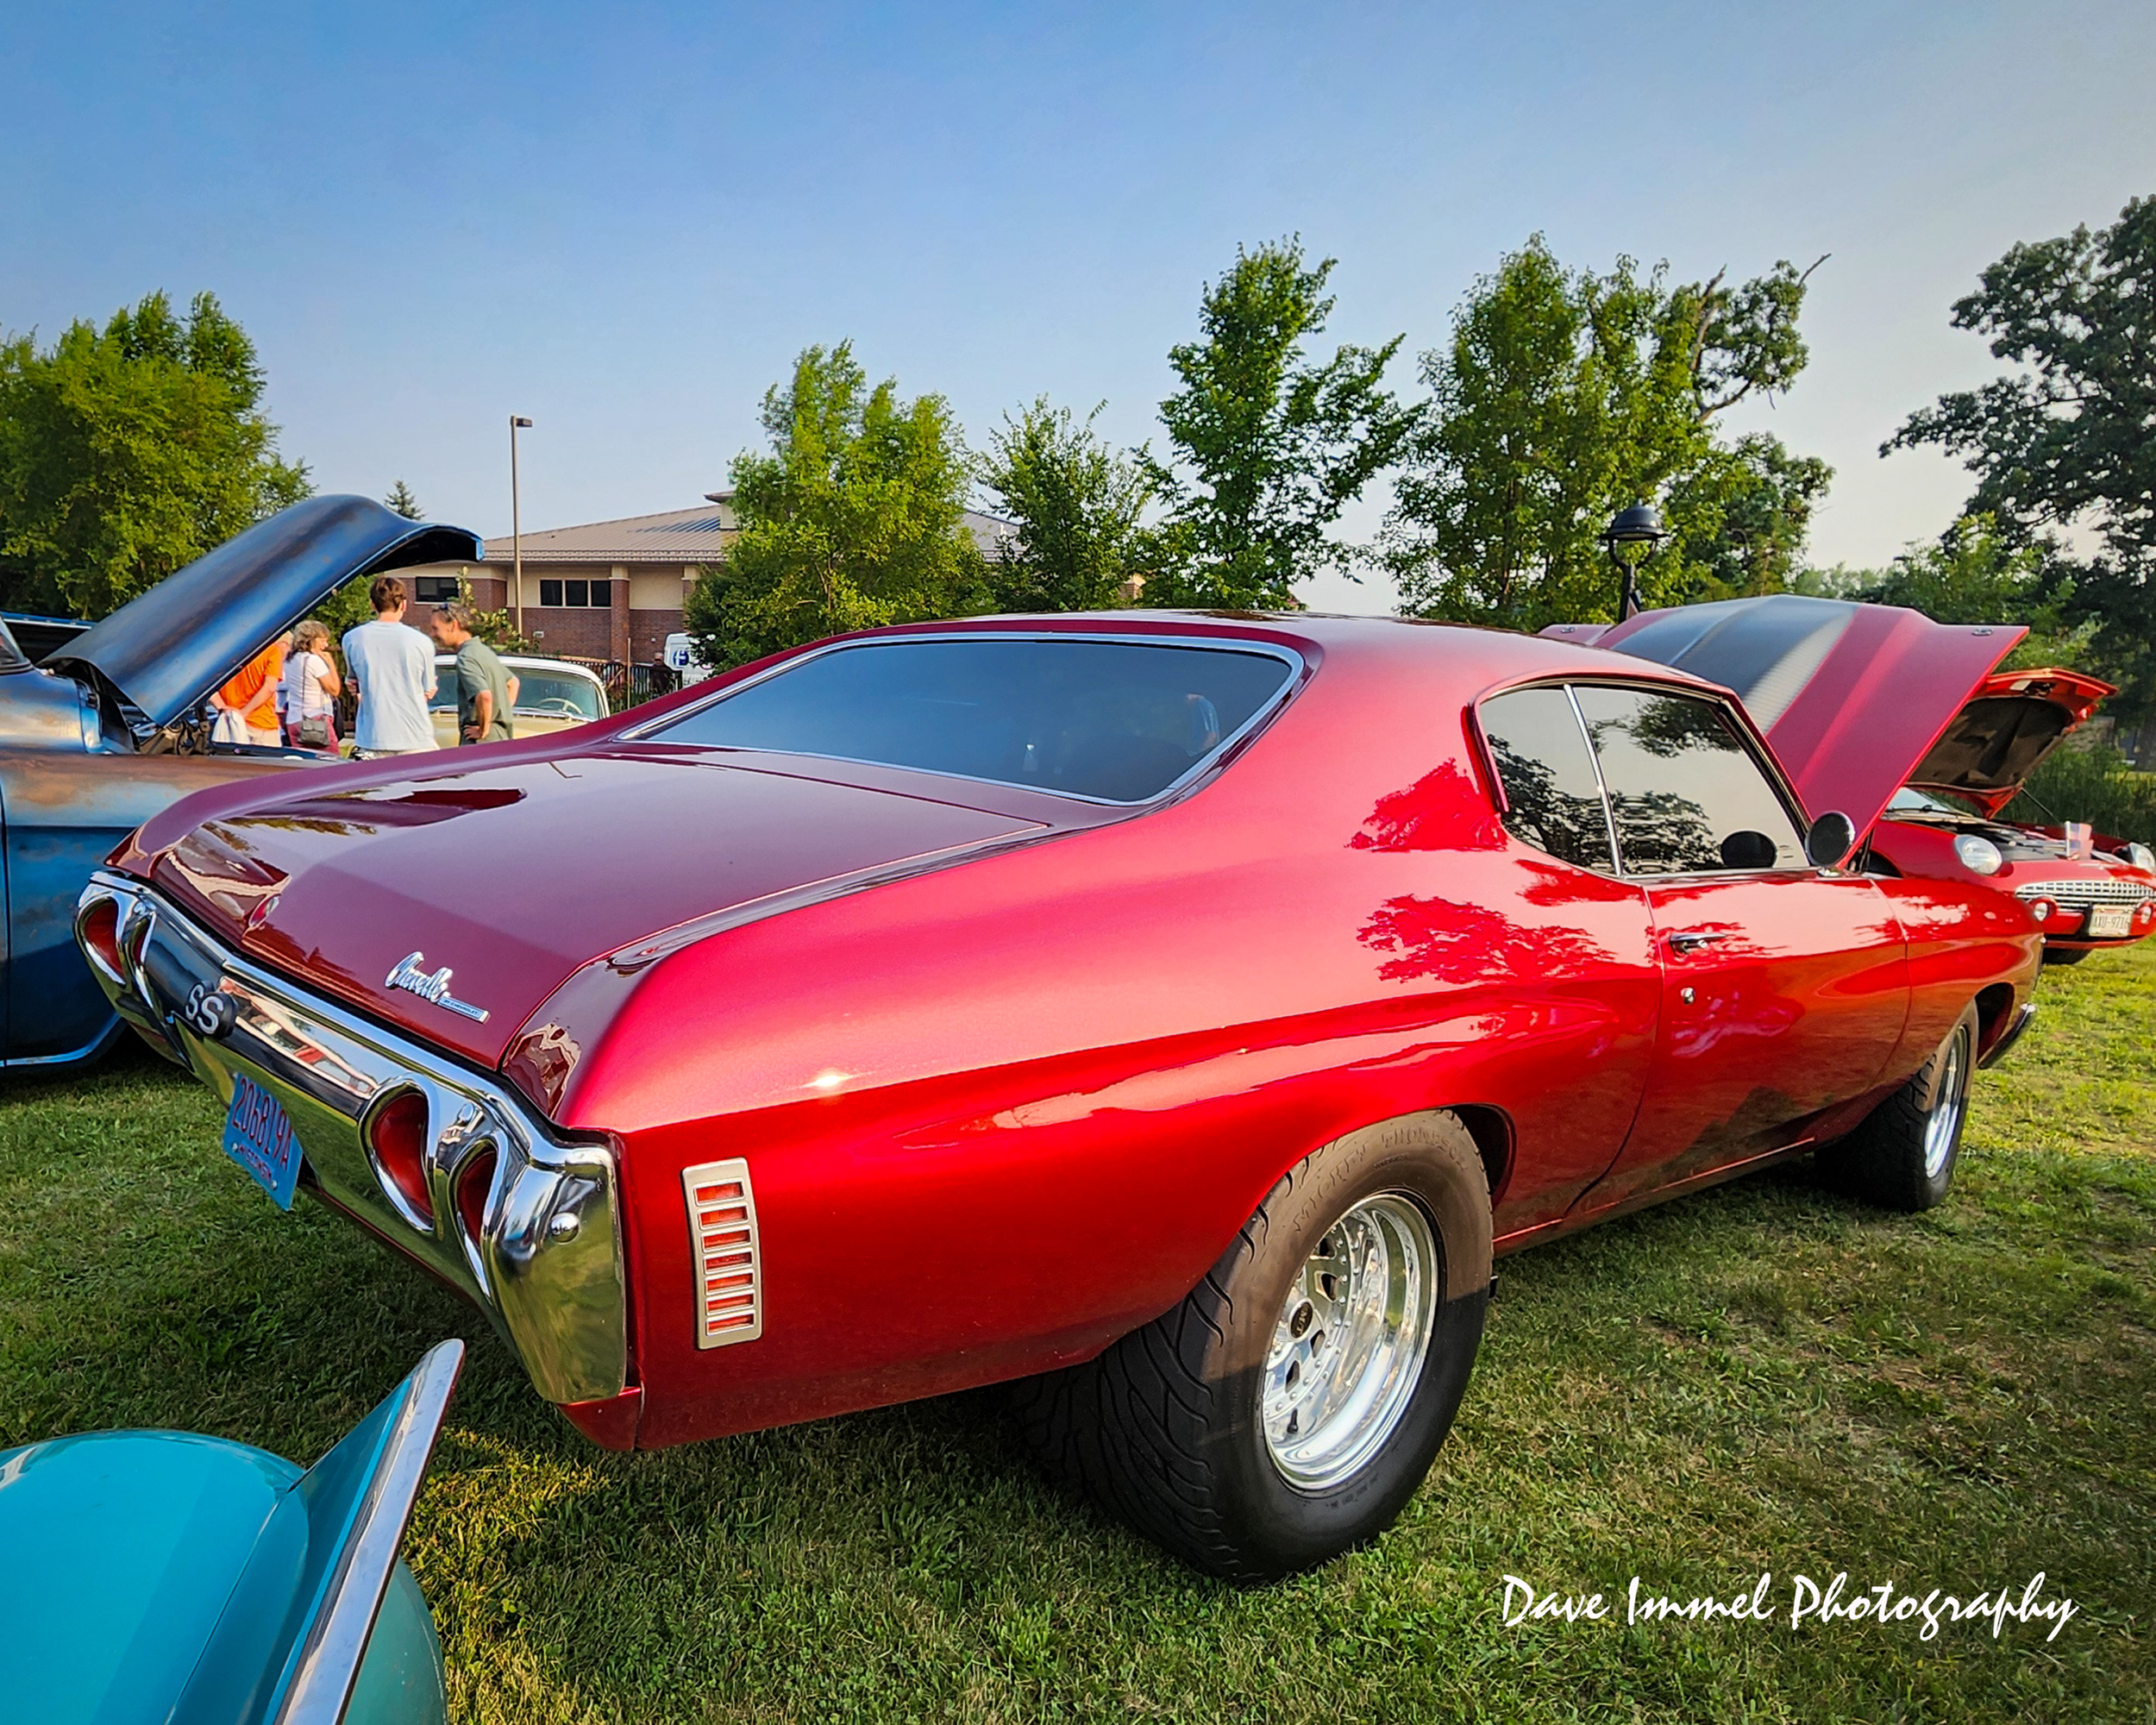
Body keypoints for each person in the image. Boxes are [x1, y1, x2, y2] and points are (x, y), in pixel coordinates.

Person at [341, 575, 438, 759]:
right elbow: (428, 690)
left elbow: (353, 682)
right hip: (415, 735)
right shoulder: (422, 642)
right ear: (403, 604)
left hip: (372, 736)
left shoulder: (352, 639)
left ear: (372, 604)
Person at [426, 603, 518, 745]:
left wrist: (483, 730)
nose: (432, 634)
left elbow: (484, 696)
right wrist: (500, 712)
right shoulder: (483, 651)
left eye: (435, 628)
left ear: (454, 625)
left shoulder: (466, 657)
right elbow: (513, 682)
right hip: (501, 739)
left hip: (481, 743)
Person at [210, 633, 286, 747]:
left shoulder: (222, 652)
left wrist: (222, 708)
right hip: (261, 723)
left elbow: (207, 688)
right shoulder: (271, 651)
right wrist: (243, 713)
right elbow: (269, 688)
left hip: (229, 723)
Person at [280, 619, 342, 756]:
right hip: (315, 720)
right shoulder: (313, 661)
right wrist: (330, 662)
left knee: (302, 761)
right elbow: (334, 689)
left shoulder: (290, 660)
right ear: (311, 640)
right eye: (322, 641)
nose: (325, 645)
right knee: (331, 761)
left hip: (294, 719)